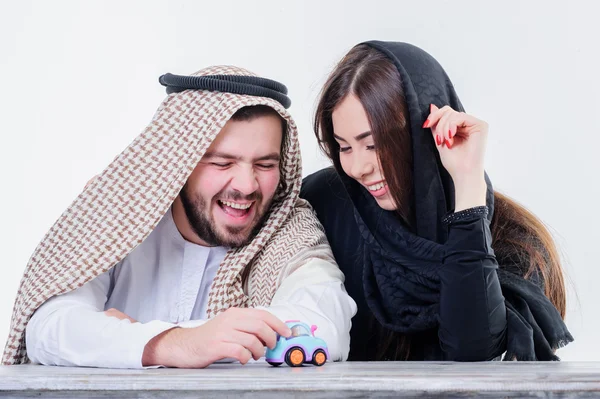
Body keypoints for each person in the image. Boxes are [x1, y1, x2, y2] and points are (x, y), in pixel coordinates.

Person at [3, 66, 356, 368]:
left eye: (265, 165)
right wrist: (173, 343)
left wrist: (130, 338)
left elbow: (324, 326)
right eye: (222, 163)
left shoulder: (287, 227)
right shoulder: (121, 210)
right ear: (180, 164)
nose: (247, 186)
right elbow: (49, 329)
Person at [301, 41, 573, 361]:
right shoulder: (325, 204)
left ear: (421, 135)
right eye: (344, 147)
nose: (358, 168)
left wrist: (468, 187)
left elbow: (473, 351)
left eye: (374, 145)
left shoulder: (515, 242)